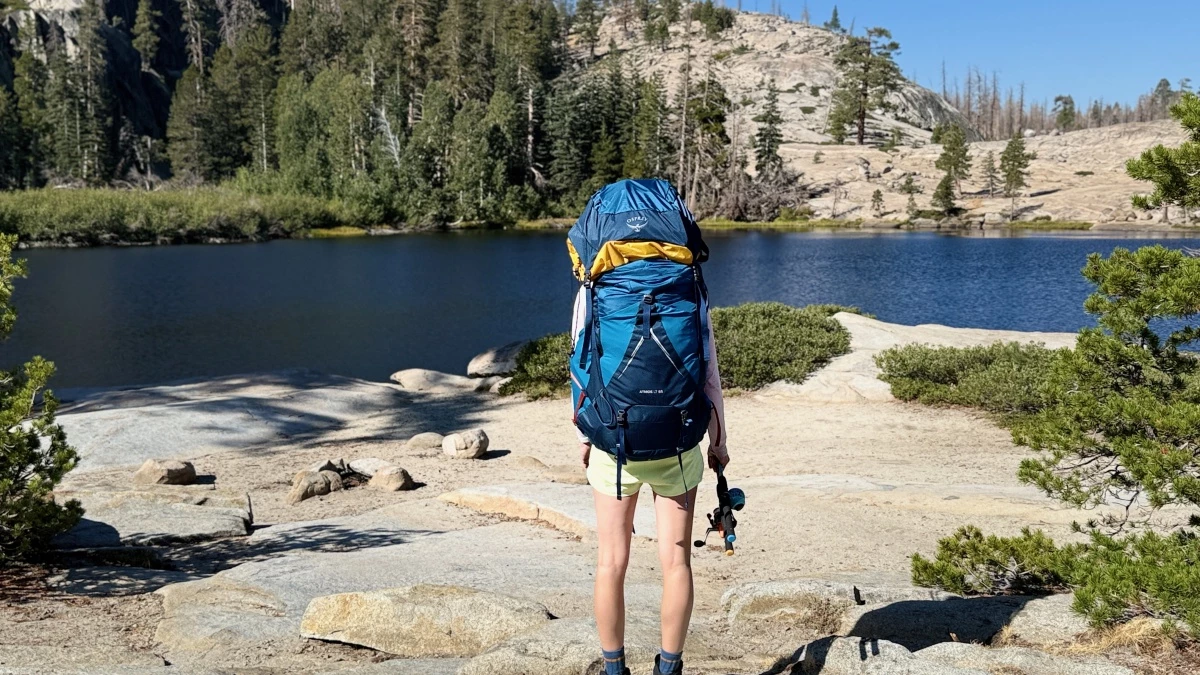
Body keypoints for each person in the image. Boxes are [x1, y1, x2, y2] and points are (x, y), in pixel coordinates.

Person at [572, 281, 728, 675]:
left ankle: (614, 669)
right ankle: (669, 668)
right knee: (676, 563)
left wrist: (585, 436)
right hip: (678, 443)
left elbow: (580, 364)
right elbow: (708, 373)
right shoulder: (689, 284)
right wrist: (718, 442)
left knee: (610, 563)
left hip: (614, 442)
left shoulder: (595, 284)